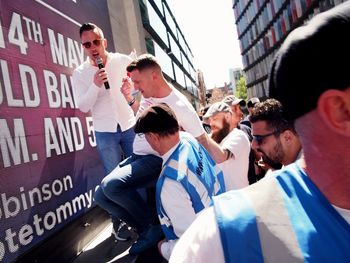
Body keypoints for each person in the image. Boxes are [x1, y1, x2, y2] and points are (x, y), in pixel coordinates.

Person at [170, 2, 350, 262]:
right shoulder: (222, 237)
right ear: (339, 110)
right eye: (255, 138)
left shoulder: (237, 140)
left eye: (260, 139)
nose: (255, 145)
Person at [93, 54, 210, 255]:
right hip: (137, 157)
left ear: (154, 75)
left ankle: (151, 226)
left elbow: (202, 141)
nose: (135, 86)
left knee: (110, 186)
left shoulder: (180, 105)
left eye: (137, 81)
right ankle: (145, 227)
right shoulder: (149, 95)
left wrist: (223, 165)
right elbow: (141, 115)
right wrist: (130, 99)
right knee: (100, 196)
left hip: (156, 159)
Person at [134, 103, 225, 260]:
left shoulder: (171, 183)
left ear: (154, 137)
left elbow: (191, 248)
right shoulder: (188, 139)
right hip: (220, 226)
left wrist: (163, 247)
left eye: (145, 136)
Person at [72, 23, 136, 241]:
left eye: (96, 42)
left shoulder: (122, 61)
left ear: (104, 42)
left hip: (128, 125)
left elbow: (137, 86)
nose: (93, 47)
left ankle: (145, 220)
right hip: (105, 132)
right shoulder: (80, 73)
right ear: (83, 47)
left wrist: (131, 91)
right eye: (87, 44)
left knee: (138, 173)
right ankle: (118, 223)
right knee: (113, 181)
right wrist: (95, 85)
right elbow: (82, 106)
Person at [204, 102, 250, 190]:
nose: (211, 124)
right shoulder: (214, 138)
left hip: (237, 199)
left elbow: (221, 157)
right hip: (220, 200)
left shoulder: (238, 136)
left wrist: (201, 136)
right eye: (210, 120)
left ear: (228, 117)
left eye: (215, 119)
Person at [250, 98, 302, 173]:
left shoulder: (313, 172)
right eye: (253, 137)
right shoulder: (292, 168)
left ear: (287, 137)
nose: (253, 145)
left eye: (259, 139)